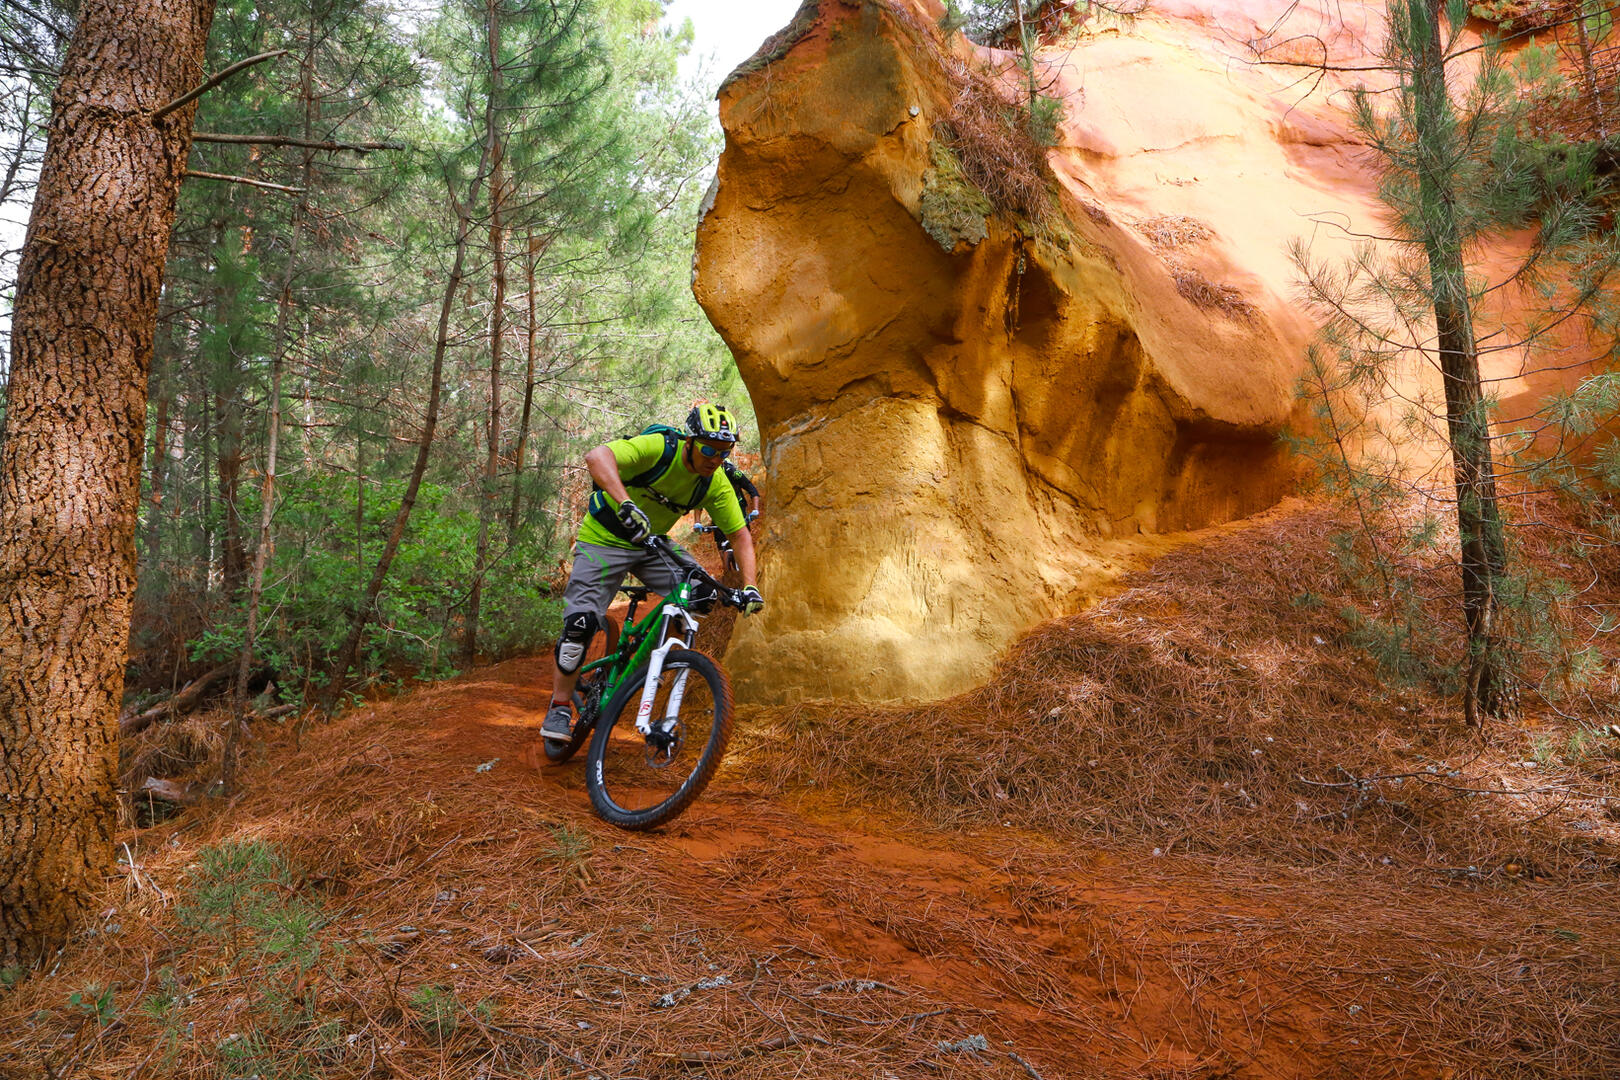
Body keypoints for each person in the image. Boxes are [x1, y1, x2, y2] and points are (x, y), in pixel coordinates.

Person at [542, 402, 765, 744]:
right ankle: (559, 706)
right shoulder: (660, 448)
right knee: (580, 627)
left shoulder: (715, 482)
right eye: (708, 448)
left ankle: (655, 662)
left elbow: (739, 536)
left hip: (650, 543)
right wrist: (624, 502)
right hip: (604, 538)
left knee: (700, 592)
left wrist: (750, 586)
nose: (715, 458)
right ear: (690, 441)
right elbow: (596, 457)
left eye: (724, 452)